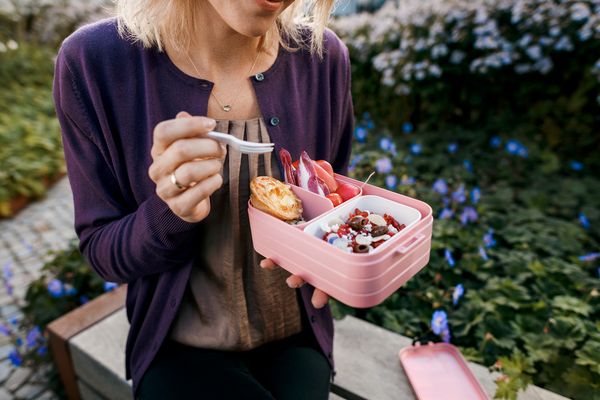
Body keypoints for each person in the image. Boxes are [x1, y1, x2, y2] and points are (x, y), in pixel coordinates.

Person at [53, 0, 354, 398]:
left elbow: (332, 202)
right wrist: (169, 214)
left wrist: (347, 259)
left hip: (298, 335)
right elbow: (102, 251)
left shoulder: (323, 57)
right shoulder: (94, 64)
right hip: (178, 345)